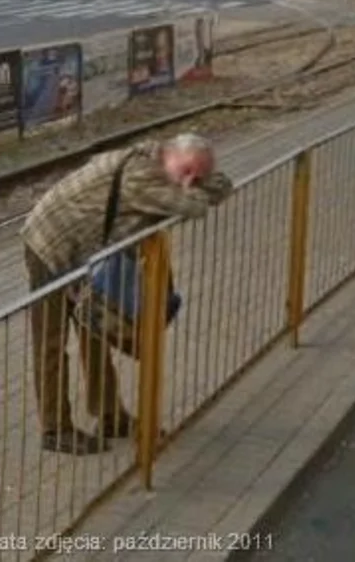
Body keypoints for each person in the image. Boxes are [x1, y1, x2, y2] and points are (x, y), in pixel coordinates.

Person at [20, 133, 233, 455]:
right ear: (169, 155)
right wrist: (195, 188)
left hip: (85, 250)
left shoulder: (158, 160)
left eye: (197, 175)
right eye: (186, 171)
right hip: (50, 246)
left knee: (93, 330)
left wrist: (196, 177)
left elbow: (223, 184)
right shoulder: (143, 177)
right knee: (52, 340)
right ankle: (55, 429)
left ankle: (110, 416)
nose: (189, 181)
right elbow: (194, 206)